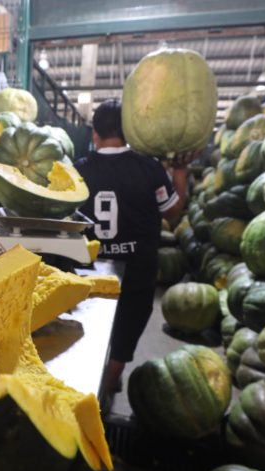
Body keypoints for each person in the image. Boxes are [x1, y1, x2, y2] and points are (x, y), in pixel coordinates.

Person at [75, 99, 193, 394]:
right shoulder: (150, 168)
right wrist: (180, 172)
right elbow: (172, 212)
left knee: (87, 329)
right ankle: (110, 381)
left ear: (95, 134)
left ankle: (85, 384)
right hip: (138, 271)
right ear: (129, 131)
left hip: (90, 270)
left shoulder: (78, 171)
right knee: (126, 334)